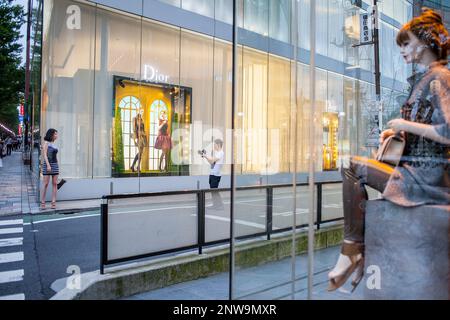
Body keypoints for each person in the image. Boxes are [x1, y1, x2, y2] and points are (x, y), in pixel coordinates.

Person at [328, 8, 450, 292]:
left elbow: (447, 132)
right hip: (417, 172)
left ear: (423, 42)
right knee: (354, 165)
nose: (403, 51)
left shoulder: (439, 77)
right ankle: (354, 250)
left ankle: (351, 250)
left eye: (406, 44)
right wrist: (398, 131)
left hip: (425, 179)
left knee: (351, 166)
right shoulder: (427, 79)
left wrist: (405, 124)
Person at [202, 139, 225, 210]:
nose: (214, 146)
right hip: (212, 174)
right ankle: (216, 205)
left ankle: (219, 205)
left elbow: (212, 160)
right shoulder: (217, 153)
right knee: (213, 191)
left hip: (216, 175)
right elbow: (211, 162)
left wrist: (205, 156)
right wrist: (205, 156)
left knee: (215, 191)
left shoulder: (221, 153)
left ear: (218, 145)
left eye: (215, 145)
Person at [41, 129, 60, 209]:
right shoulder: (46, 143)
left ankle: (53, 202)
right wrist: (48, 165)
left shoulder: (54, 144)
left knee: (55, 183)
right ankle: (42, 202)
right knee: (45, 184)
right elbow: (44, 155)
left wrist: (57, 166)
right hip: (47, 165)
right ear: (51, 135)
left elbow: (55, 156)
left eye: (56, 134)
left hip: (55, 165)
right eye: (55, 134)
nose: (56, 135)